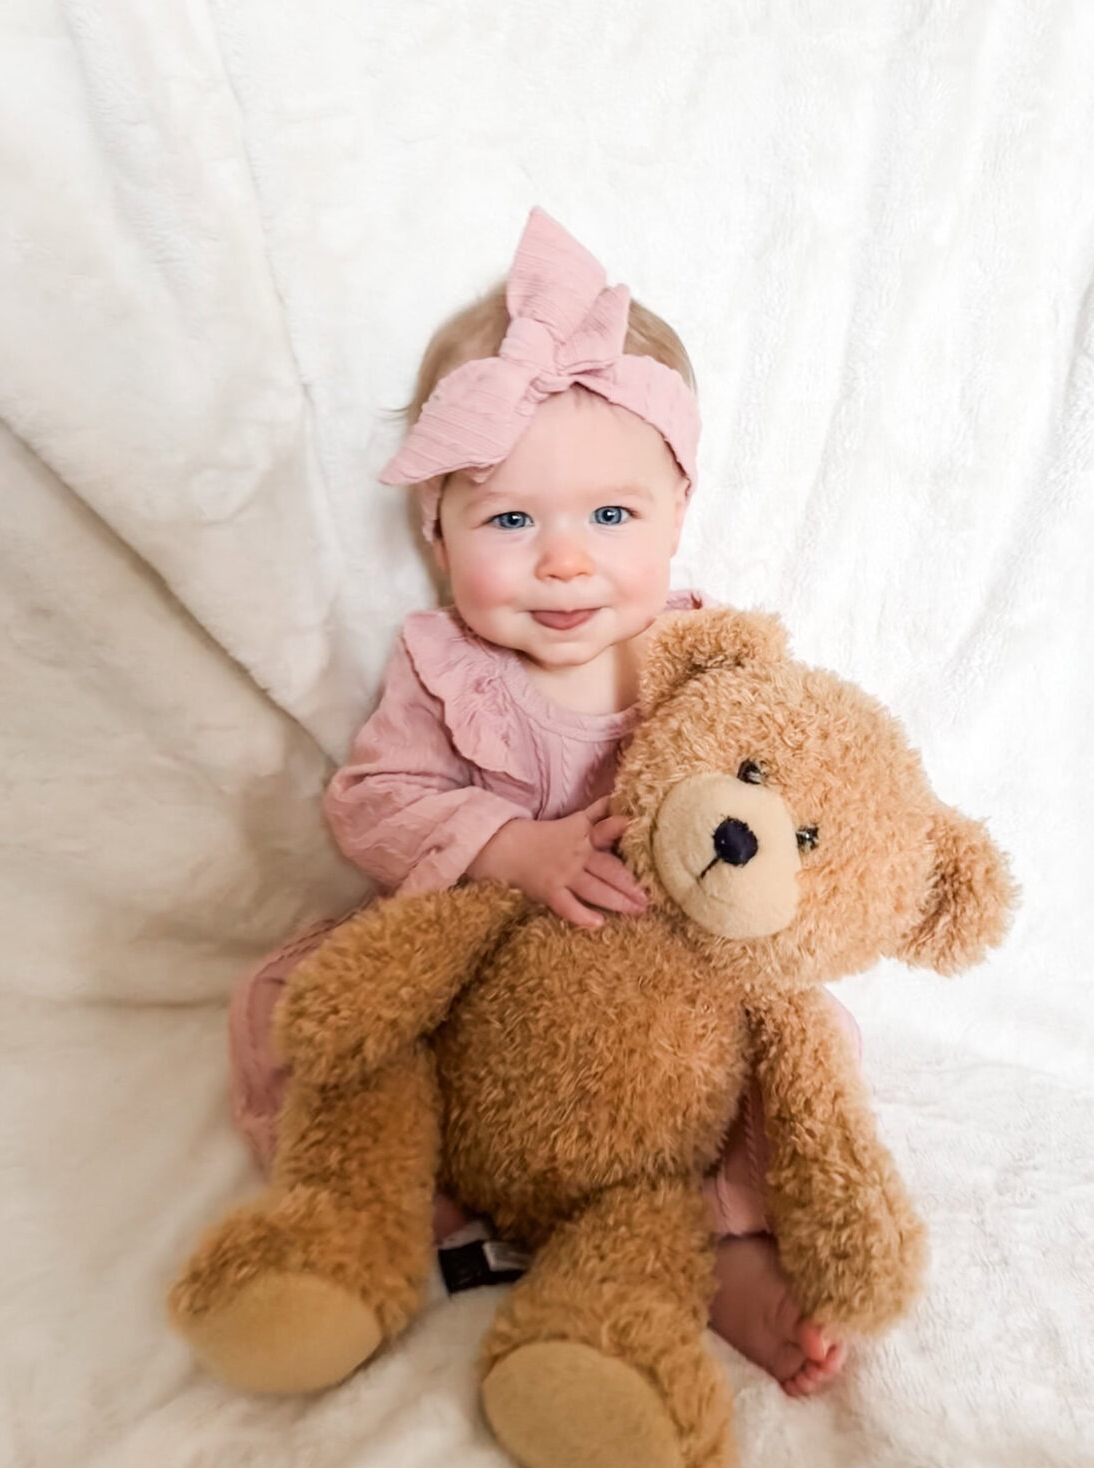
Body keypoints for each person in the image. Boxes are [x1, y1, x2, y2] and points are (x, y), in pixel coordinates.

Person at [229, 207, 852, 1398]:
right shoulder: (444, 667)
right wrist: (507, 846)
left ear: (677, 515)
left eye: (611, 517)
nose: (564, 561)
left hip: (657, 992)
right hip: (483, 976)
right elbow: (374, 802)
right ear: (437, 527)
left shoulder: (715, 661)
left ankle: (726, 1247)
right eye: (511, 520)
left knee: (794, 1045)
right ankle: (370, 1209)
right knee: (290, 1002)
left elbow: (791, 808)